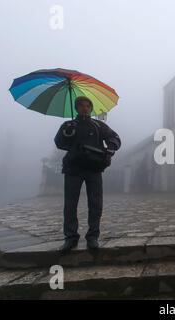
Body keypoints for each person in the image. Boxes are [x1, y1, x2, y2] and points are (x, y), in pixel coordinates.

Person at [54, 97, 121, 252]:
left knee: (95, 203)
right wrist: (68, 133)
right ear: (76, 108)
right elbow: (59, 143)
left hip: (94, 168)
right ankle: (70, 237)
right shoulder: (69, 125)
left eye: (87, 106)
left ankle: (93, 236)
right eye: (81, 106)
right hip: (73, 168)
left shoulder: (98, 125)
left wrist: (110, 147)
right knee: (70, 205)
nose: (85, 108)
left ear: (91, 108)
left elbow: (115, 138)